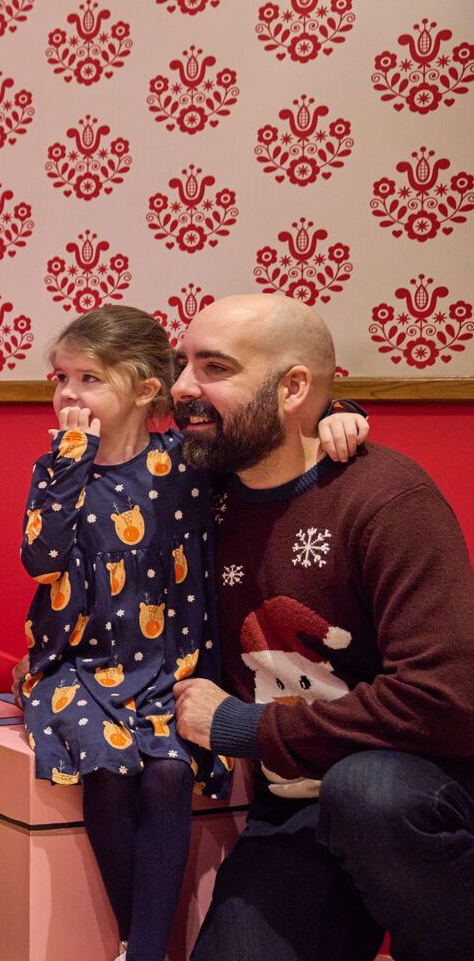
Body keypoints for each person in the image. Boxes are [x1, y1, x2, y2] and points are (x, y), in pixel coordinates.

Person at [15, 306, 368, 961]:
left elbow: (267, 435)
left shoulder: (185, 462)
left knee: (169, 775)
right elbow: (41, 560)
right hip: (81, 667)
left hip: (169, 665)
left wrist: (336, 413)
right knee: (108, 770)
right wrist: (71, 457)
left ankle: (144, 950)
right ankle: (137, 943)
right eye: (59, 378)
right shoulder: (57, 470)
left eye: (87, 378)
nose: (67, 394)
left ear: (146, 388)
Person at [172, 293, 474, 961]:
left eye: (213, 367)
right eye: (181, 364)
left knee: (368, 790)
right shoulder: (196, 493)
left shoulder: (386, 498)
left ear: (292, 388)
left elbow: (447, 700)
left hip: (424, 793)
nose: (183, 386)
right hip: (293, 808)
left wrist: (247, 728)